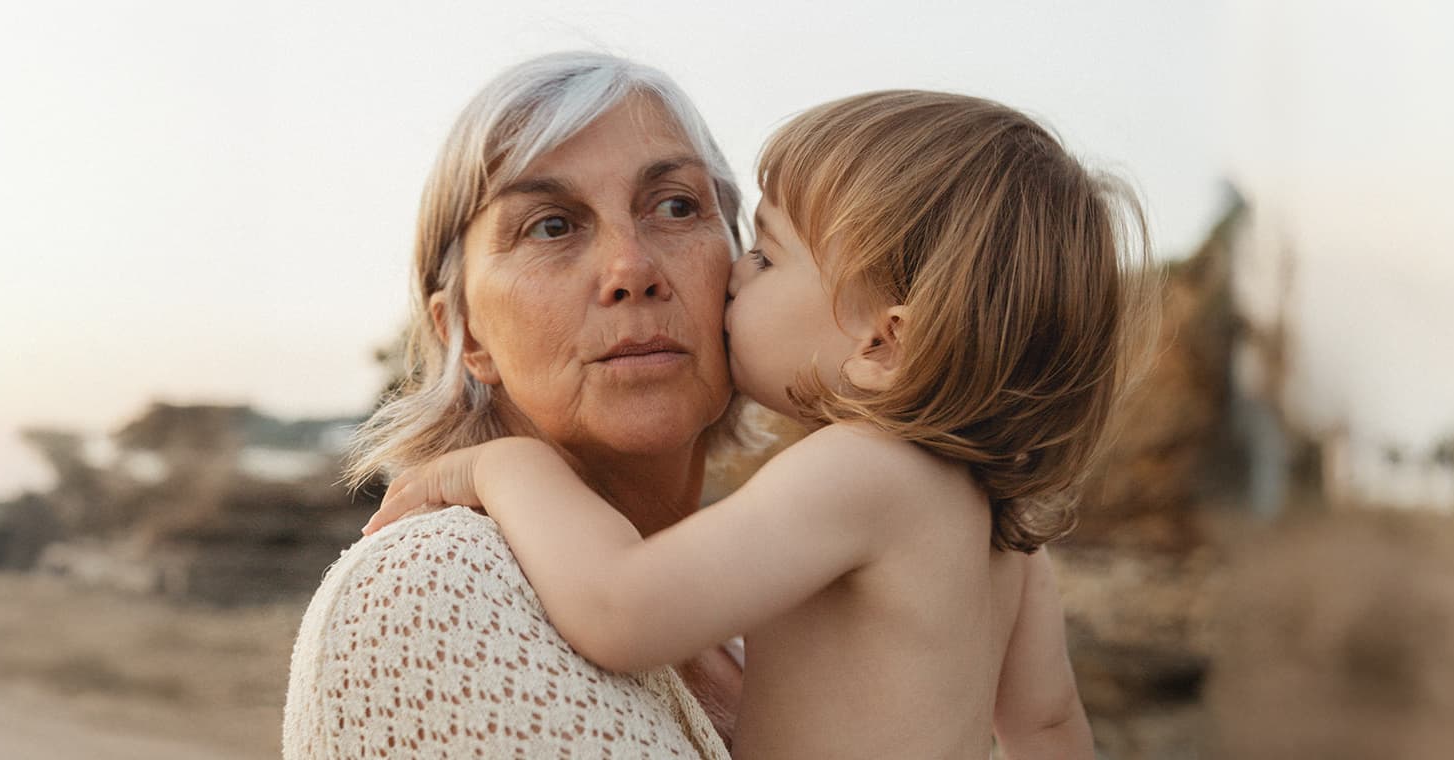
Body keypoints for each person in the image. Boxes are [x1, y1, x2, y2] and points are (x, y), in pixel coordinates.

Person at [370, 89, 1136, 760]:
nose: (735, 273)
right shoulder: (999, 525)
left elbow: (623, 608)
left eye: (768, 258)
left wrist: (502, 468)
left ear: (883, 343)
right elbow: (1048, 726)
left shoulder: (855, 472)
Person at [279, 51, 750, 759]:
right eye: (552, 226)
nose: (632, 270)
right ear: (464, 334)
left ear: (741, 271)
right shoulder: (436, 584)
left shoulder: (744, 611)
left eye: (677, 206)